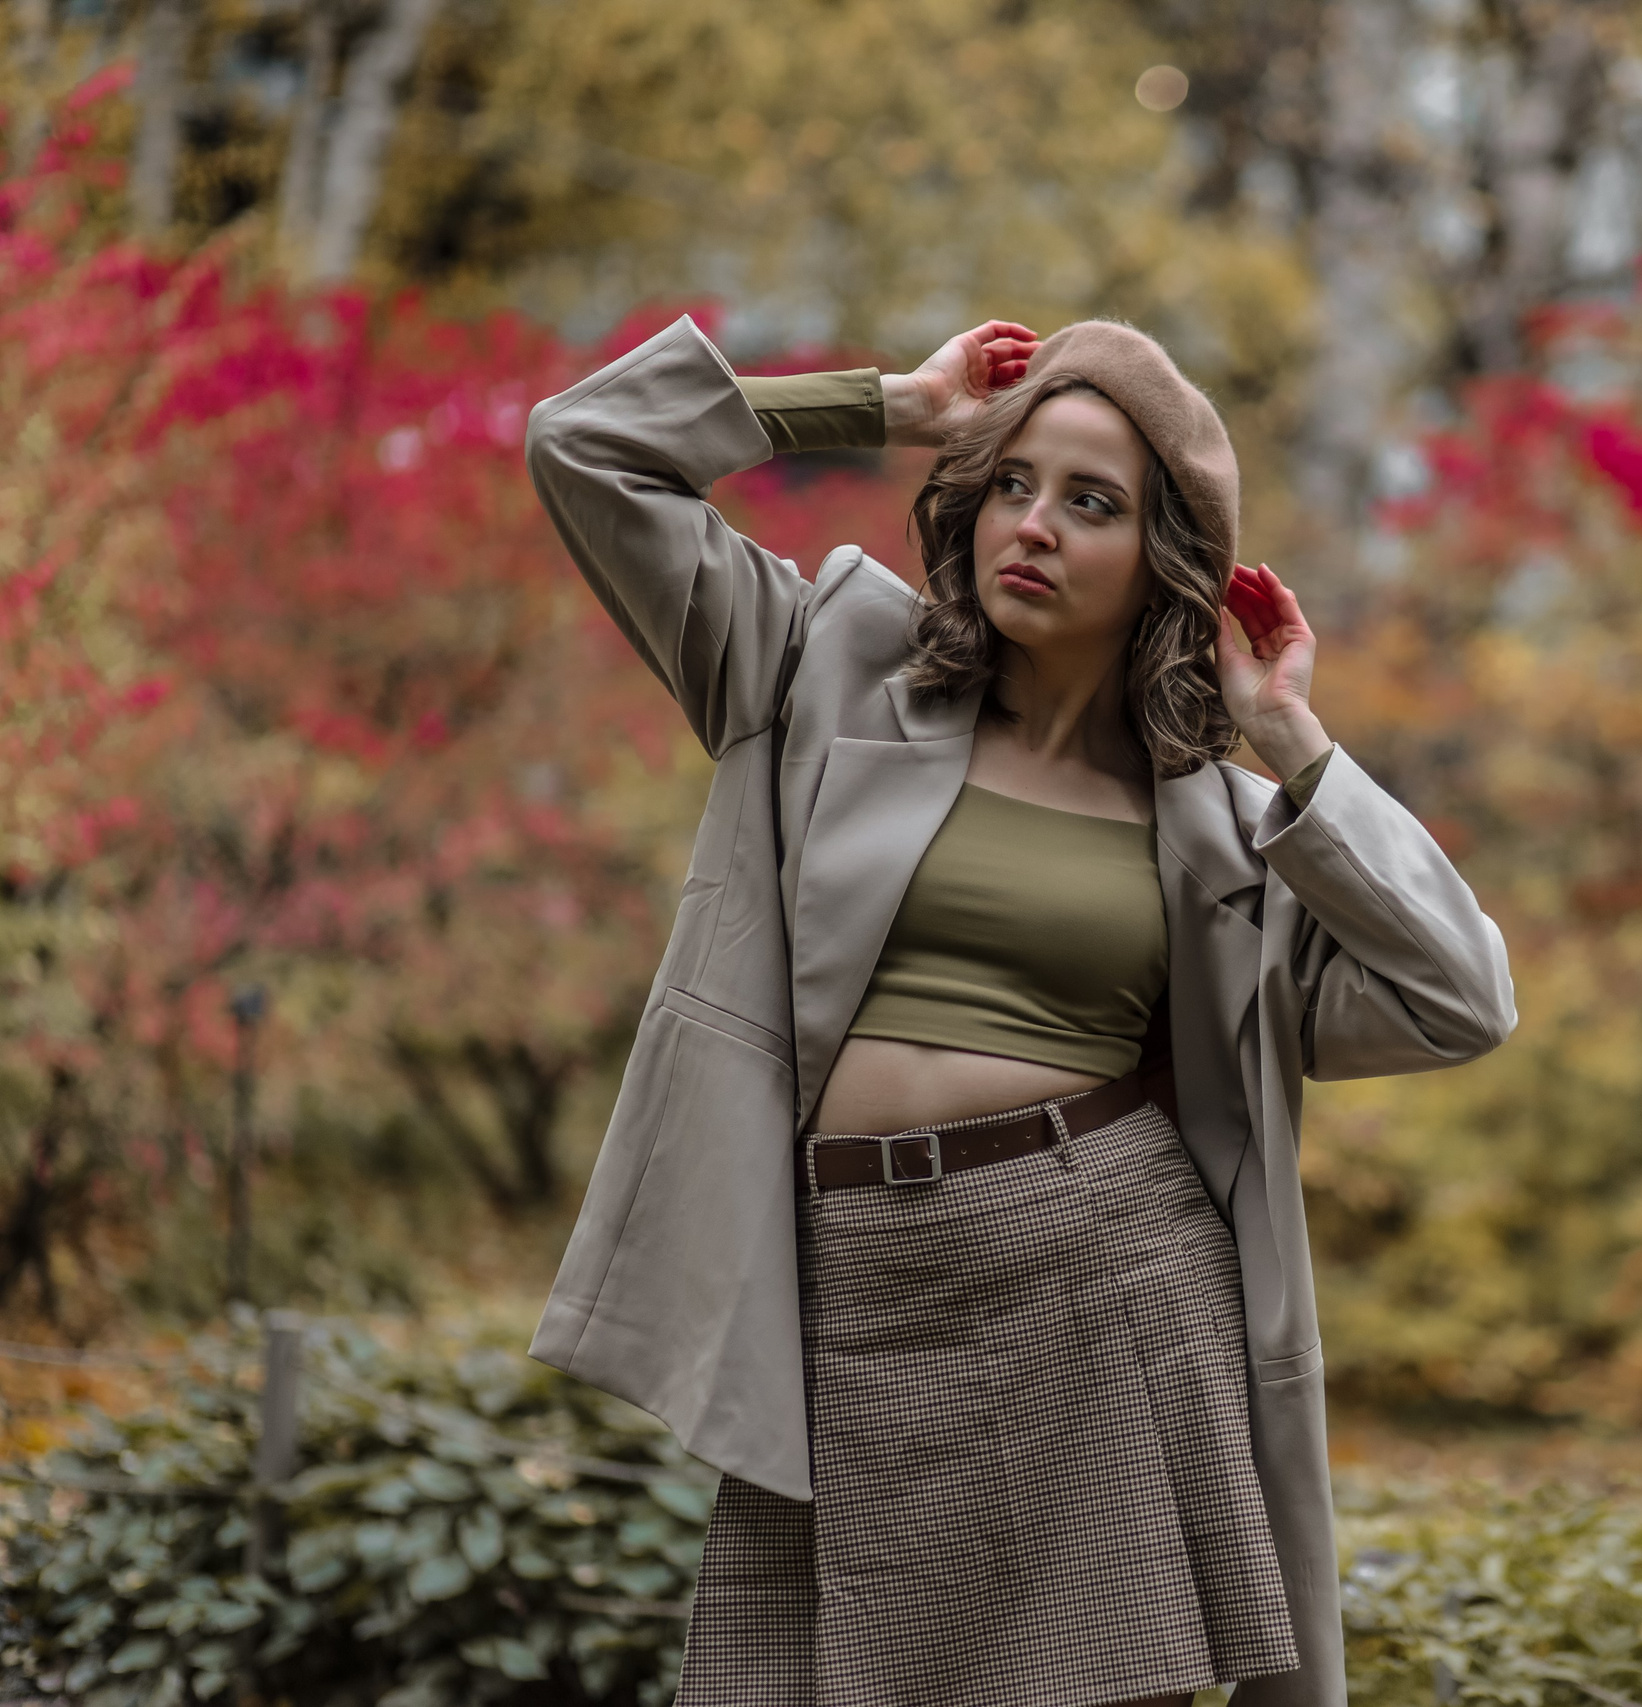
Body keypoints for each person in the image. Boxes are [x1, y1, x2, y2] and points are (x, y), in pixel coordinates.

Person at [521, 312, 1515, 1707]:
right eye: (1013, 483)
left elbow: (1460, 998)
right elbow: (585, 450)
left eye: (1090, 502)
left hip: (1102, 1293)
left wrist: (1295, 746)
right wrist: (891, 403)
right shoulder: (820, 671)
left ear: (1164, 561)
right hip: (840, 1292)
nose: (1033, 526)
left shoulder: (1226, 839)